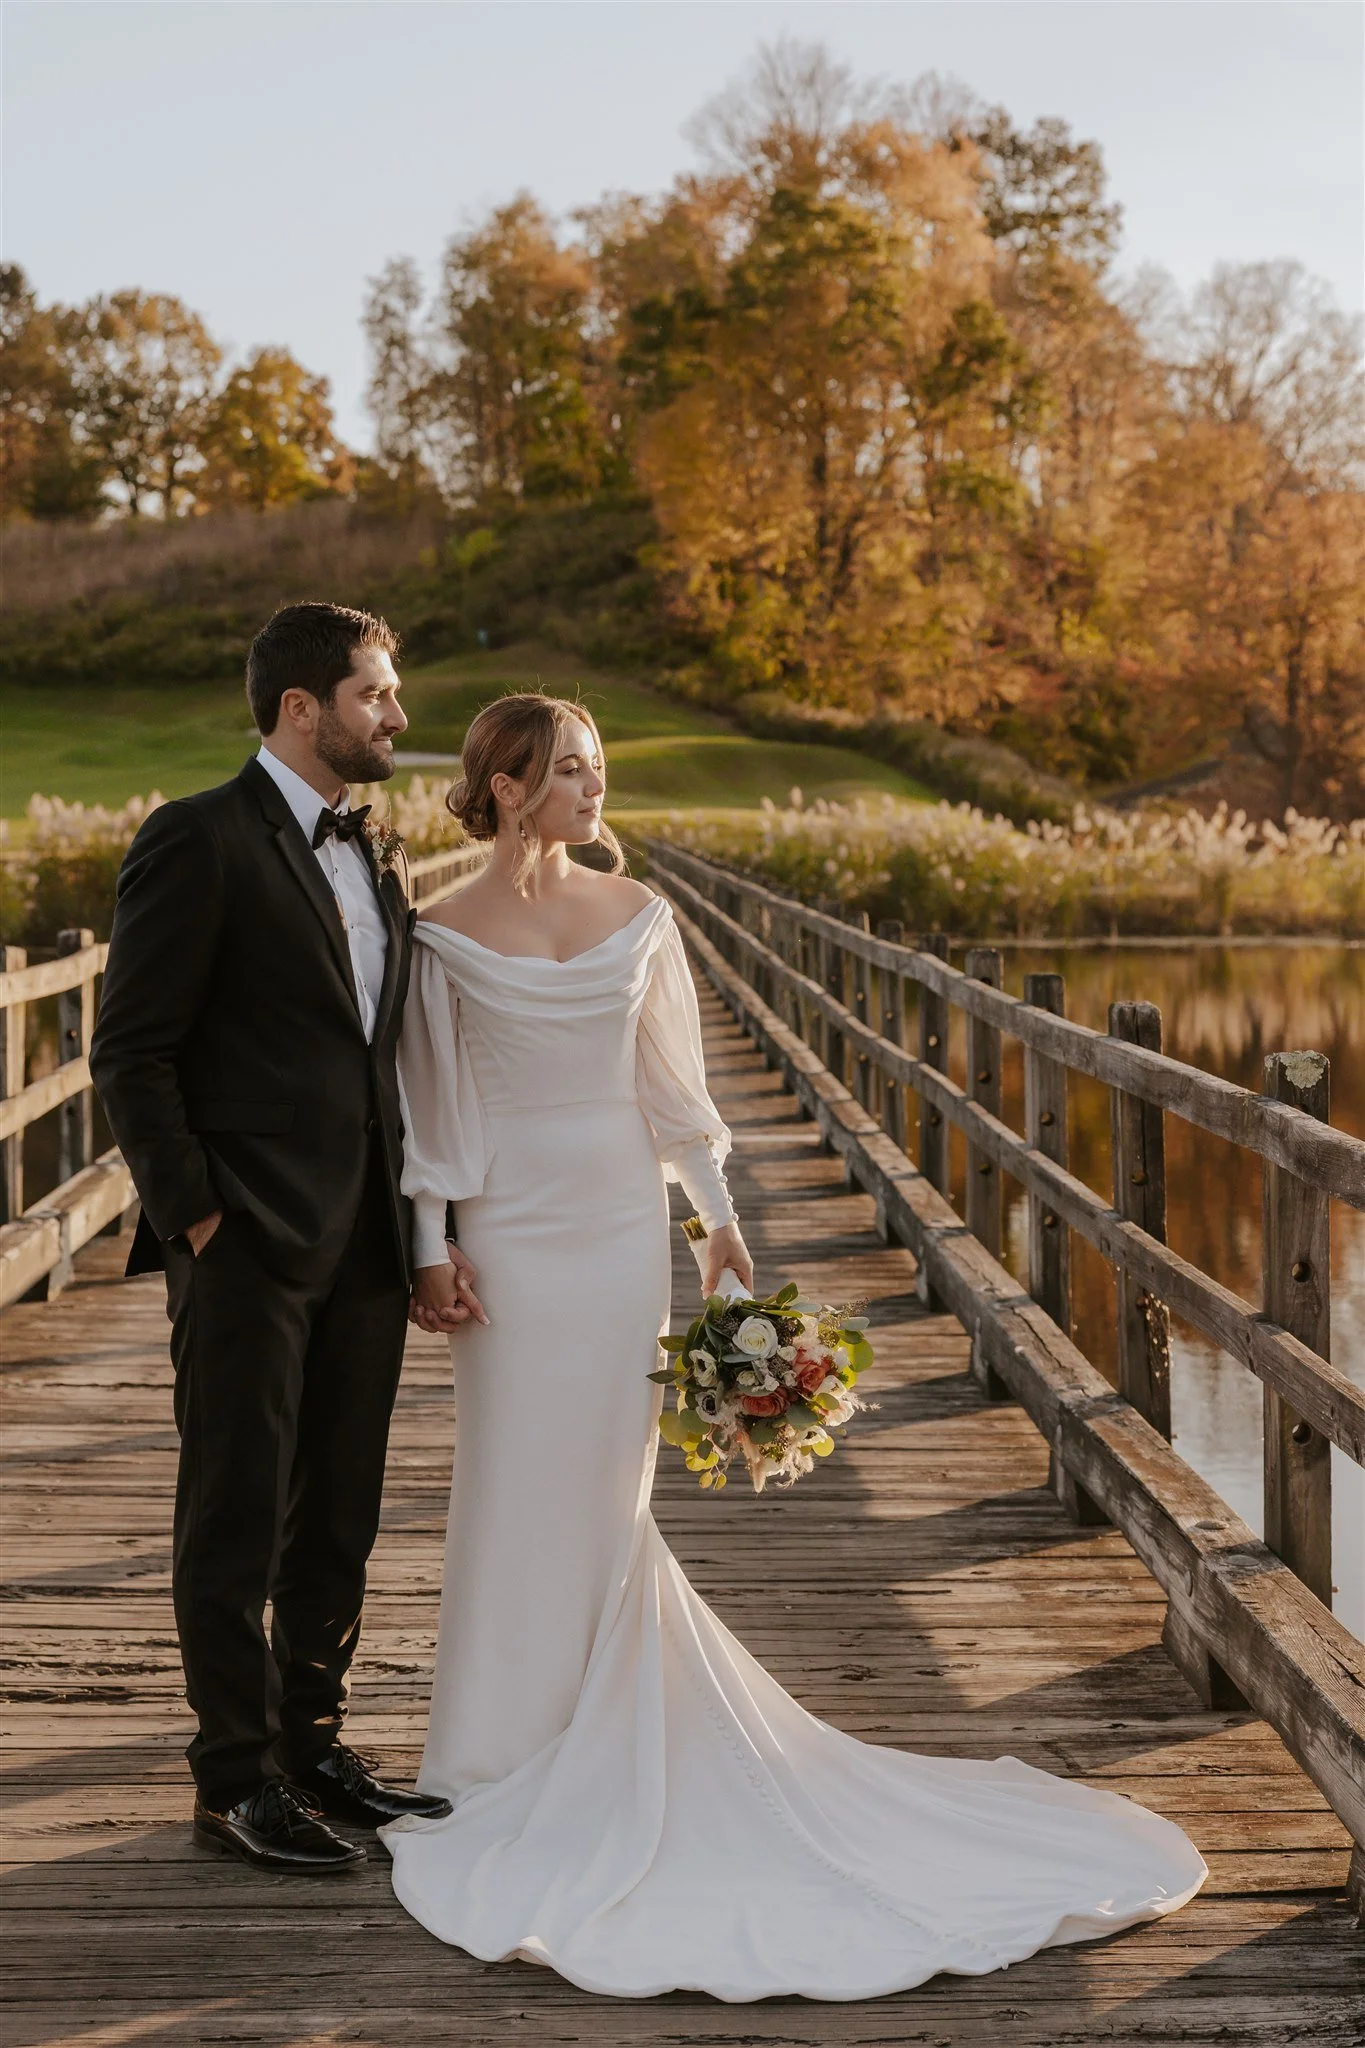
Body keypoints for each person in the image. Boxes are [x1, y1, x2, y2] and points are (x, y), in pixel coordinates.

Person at [384, 692, 1208, 1999]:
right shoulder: (435, 937)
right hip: (509, 1235)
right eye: (572, 772)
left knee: (603, 1494)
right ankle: (495, 1755)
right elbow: (431, 1106)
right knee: (504, 1486)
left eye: (598, 765)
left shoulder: (641, 917)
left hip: (609, 1236)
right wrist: (429, 1243)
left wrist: (717, 1228)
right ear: (504, 787)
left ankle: (597, 1745)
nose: (597, 789)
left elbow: (673, 1094)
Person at [91, 602, 466, 1874]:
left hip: (364, 1238)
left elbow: (384, 1055)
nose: (398, 718)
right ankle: (232, 1778)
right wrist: (197, 1212)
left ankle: (313, 1744)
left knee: (339, 1514)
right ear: (303, 707)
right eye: (378, 695)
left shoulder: (376, 851)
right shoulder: (194, 839)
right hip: (246, 1239)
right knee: (234, 1515)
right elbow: (130, 1048)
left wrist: (420, 1225)